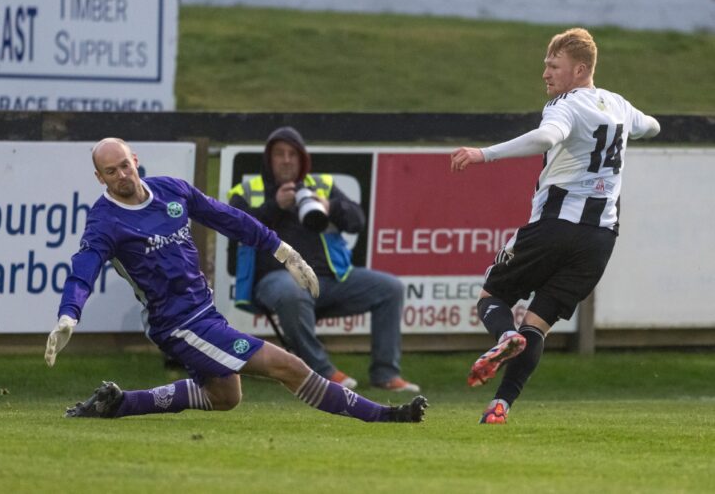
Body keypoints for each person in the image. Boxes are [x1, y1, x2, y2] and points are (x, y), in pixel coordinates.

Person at [45, 138, 427, 424]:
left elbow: (228, 218)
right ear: (100, 177)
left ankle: (119, 404)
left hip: (203, 312)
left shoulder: (170, 190)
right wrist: (69, 314)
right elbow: (85, 267)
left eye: (125, 165)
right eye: (111, 172)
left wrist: (283, 251)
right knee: (287, 366)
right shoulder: (104, 220)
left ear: (135, 160)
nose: (122, 176)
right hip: (176, 324)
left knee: (225, 396)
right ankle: (385, 415)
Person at [450, 28, 661, 424]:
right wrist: (645, 125)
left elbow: (547, 137)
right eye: (545, 64)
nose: (545, 73)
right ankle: (501, 405)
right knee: (538, 325)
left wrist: (485, 154)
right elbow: (650, 126)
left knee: (491, 296)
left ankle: (503, 336)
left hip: (555, 227)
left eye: (554, 65)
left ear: (579, 70)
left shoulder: (567, 104)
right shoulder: (617, 104)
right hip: (600, 239)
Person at [228, 127, 419, 393]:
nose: (286, 160)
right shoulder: (247, 190)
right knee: (292, 290)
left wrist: (330, 207)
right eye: (279, 154)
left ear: (302, 159)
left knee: (391, 288)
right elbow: (235, 228)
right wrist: (275, 206)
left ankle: (386, 374)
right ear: (268, 159)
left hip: (330, 279)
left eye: (292, 154)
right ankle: (322, 371)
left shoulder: (321, 186)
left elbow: (357, 221)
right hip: (275, 281)